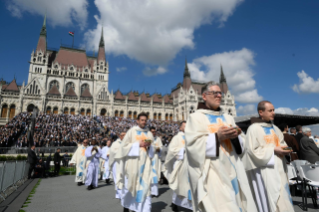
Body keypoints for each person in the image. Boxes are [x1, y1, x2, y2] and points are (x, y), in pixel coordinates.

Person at [185, 82, 256, 212]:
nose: (219, 96)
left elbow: (242, 146)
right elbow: (193, 146)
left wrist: (236, 136)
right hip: (212, 172)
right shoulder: (195, 118)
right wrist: (216, 137)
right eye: (215, 93)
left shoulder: (228, 118)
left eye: (220, 93)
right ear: (204, 96)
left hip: (233, 169)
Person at [243, 100, 294, 212]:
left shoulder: (275, 129)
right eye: (270, 110)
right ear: (261, 112)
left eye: (273, 110)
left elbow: (283, 145)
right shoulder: (254, 129)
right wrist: (273, 149)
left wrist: (287, 150)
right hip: (266, 171)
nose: (273, 113)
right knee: (271, 201)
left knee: (283, 201)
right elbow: (251, 150)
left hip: (280, 169)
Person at [115, 112, 155, 212]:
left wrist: (149, 146)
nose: (144, 122)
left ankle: (144, 209)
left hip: (145, 165)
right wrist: (138, 144)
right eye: (142, 120)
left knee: (145, 187)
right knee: (131, 187)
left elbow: (152, 150)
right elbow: (123, 147)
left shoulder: (149, 133)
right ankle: (127, 206)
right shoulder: (132, 131)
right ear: (137, 121)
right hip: (133, 165)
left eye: (145, 120)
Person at [164, 121, 192, 211]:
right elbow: (172, 150)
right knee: (179, 184)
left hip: (189, 164)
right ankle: (175, 202)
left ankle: (188, 204)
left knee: (188, 185)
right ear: (180, 128)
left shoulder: (191, 137)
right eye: (184, 126)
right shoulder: (177, 138)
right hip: (179, 163)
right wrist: (183, 150)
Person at [109, 132, 126, 199]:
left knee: (124, 180)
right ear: (120, 136)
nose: (124, 137)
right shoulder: (115, 143)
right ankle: (120, 194)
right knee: (118, 179)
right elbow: (113, 153)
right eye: (123, 135)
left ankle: (124, 194)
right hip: (117, 163)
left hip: (125, 163)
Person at [150, 126, 163, 197]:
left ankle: (155, 192)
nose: (154, 133)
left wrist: (158, 149)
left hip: (156, 158)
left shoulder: (158, 139)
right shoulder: (148, 139)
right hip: (150, 159)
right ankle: (150, 191)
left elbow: (161, 147)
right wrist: (155, 148)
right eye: (152, 132)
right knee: (150, 175)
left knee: (155, 175)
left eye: (154, 132)